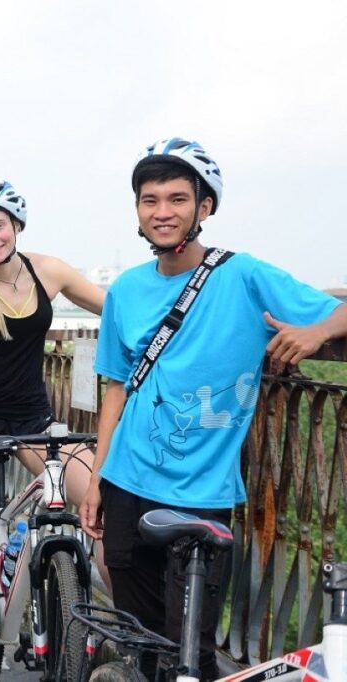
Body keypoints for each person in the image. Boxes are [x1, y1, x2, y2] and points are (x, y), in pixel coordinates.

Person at [79, 137, 347, 680]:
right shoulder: (127, 290)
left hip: (201, 493)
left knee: (191, 647)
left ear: (204, 208)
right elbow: (115, 390)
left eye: (177, 199)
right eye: (149, 200)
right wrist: (102, 479)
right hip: (127, 479)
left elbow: (338, 313)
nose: (162, 212)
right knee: (140, 634)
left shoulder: (243, 276)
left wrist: (318, 331)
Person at [0, 177, 105, 623]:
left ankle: (127, 612)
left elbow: (114, 309)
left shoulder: (47, 270)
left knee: (97, 492)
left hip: (31, 411)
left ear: (17, 224)